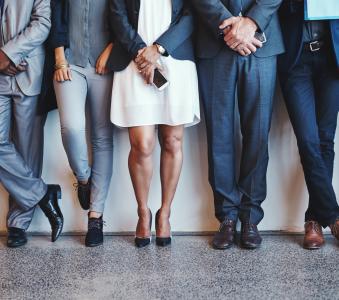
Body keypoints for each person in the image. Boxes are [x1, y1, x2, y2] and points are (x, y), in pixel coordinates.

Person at [190, 0, 284, 249]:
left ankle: (251, 217)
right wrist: (229, 27)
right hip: (214, 43)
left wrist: (251, 23)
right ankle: (227, 217)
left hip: (261, 42)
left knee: (258, 133)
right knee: (219, 135)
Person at [109, 0, 200, 247]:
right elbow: (117, 12)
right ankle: (142, 212)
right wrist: (142, 53)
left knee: (172, 141)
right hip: (133, 60)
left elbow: (193, 13)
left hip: (176, 57)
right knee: (142, 144)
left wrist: (158, 48)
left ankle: (165, 213)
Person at [50, 0, 114, 247]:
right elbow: (56, 13)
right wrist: (58, 56)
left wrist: (112, 48)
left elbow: (125, 15)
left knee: (102, 138)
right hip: (68, 63)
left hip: (105, 64)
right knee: (71, 127)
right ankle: (85, 179)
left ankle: (95, 217)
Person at [0, 0, 64, 246]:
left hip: (29, 69)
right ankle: (42, 193)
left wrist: (10, 53)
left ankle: (18, 222)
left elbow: (43, 22)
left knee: (28, 150)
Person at [278, 0, 339, 250]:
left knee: (325, 139)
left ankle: (313, 220)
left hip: (332, 55)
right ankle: (334, 216)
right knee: (307, 141)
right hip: (295, 57)